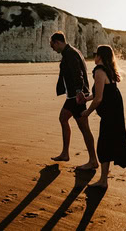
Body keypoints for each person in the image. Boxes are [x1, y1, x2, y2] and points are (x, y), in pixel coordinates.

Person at [81, 45, 126, 191]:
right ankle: (104, 180)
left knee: (112, 148)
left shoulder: (99, 72)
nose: (94, 56)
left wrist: (87, 113)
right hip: (115, 112)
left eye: (95, 54)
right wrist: (86, 99)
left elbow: (99, 98)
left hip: (110, 115)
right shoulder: (108, 70)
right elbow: (99, 93)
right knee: (110, 147)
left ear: (99, 56)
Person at [49, 31, 99, 170]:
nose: (52, 48)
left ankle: (93, 160)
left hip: (76, 97)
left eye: (52, 45)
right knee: (63, 118)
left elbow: (78, 73)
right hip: (73, 96)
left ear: (57, 42)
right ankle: (65, 153)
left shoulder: (70, 53)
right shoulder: (70, 52)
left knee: (84, 128)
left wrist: (79, 92)